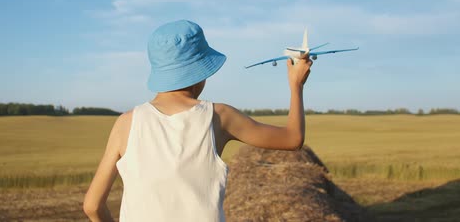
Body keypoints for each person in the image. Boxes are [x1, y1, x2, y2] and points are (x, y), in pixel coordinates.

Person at [83, 20, 312, 222]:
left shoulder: (126, 123)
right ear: (200, 73)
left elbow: (92, 206)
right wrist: (296, 86)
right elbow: (293, 139)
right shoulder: (219, 117)